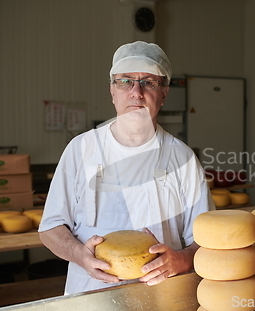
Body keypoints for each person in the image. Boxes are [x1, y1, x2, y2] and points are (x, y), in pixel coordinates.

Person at [38, 41, 214, 295]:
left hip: (162, 299)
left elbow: (206, 240)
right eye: (125, 81)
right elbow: (50, 228)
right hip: (89, 298)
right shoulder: (81, 150)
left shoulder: (182, 158)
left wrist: (181, 260)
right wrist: (80, 255)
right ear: (112, 91)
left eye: (148, 82)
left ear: (164, 93)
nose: (136, 92)